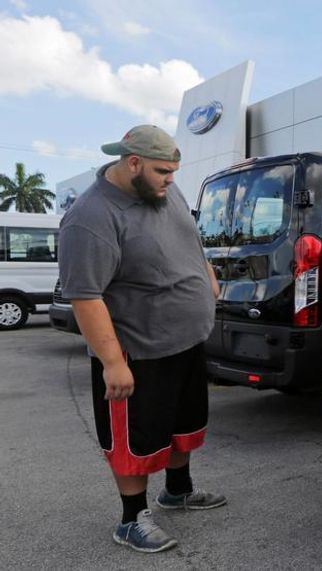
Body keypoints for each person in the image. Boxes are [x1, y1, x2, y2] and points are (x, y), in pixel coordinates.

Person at [58, 125, 224, 553]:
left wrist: (206, 276)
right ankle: (131, 519)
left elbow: (192, 240)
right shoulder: (91, 217)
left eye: (173, 170)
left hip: (185, 340)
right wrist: (113, 362)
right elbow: (85, 294)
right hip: (138, 349)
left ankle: (178, 490)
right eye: (162, 171)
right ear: (132, 163)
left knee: (182, 424)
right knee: (135, 438)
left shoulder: (165, 192)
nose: (171, 178)